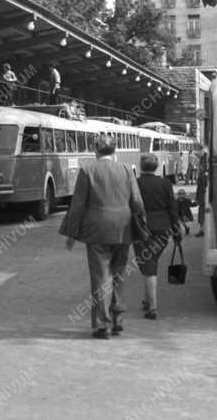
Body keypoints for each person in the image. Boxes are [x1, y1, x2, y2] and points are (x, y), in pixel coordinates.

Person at [59, 135, 144, 340]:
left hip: (96, 231)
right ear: (114, 150)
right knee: (119, 273)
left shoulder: (87, 170)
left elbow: (78, 205)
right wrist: (141, 225)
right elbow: (136, 200)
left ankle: (101, 325)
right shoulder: (126, 169)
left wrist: (71, 233)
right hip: (123, 228)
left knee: (100, 276)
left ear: (96, 150)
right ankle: (118, 318)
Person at [133, 154, 180, 320]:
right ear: (157, 166)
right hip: (163, 230)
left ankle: (152, 308)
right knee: (150, 263)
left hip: (142, 229)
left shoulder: (136, 183)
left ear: (141, 166)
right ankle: (147, 300)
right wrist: (176, 231)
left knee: (148, 266)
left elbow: (131, 206)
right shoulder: (165, 184)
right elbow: (172, 208)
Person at [194, 147, 209, 237]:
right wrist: (197, 197)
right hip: (203, 194)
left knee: (204, 211)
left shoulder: (205, 171)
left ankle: (203, 229)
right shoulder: (202, 172)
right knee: (202, 211)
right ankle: (202, 229)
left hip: (206, 194)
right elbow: (199, 186)